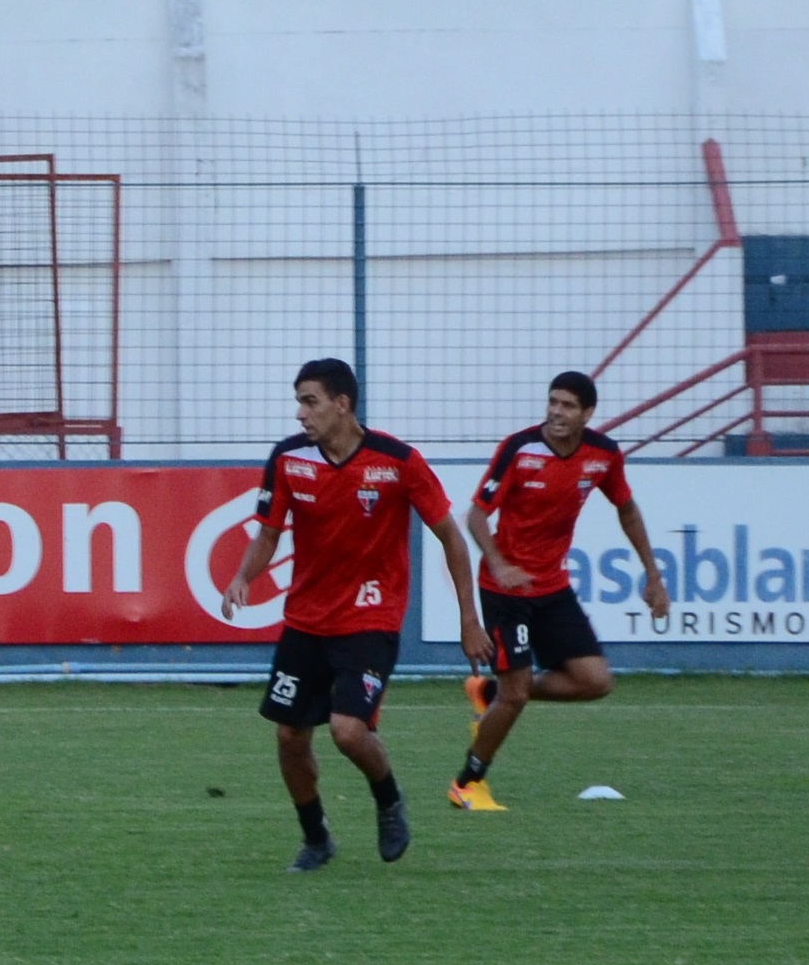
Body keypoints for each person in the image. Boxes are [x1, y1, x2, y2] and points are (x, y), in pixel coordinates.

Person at [230, 357, 485, 872]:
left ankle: (389, 801)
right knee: (289, 736)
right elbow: (269, 533)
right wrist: (243, 577)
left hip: (371, 618)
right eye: (299, 401)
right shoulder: (288, 460)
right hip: (306, 620)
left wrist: (468, 619)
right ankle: (316, 838)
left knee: (348, 731)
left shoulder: (397, 461)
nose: (300, 413)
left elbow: (452, 538)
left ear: (341, 404)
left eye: (310, 401)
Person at [451, 369, 673, 809]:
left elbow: (626, 509)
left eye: (568, 405)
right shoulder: (519, 449)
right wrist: (500, 563)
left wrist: (653, 575)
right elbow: (476, 515)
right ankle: (467, 783)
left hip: (551, 588)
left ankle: (489, 694)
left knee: (595, 681)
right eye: (553, 401)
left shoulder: (603, 455)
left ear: (588, 413)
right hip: (505, 590)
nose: (556, 411)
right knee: (517, 696)